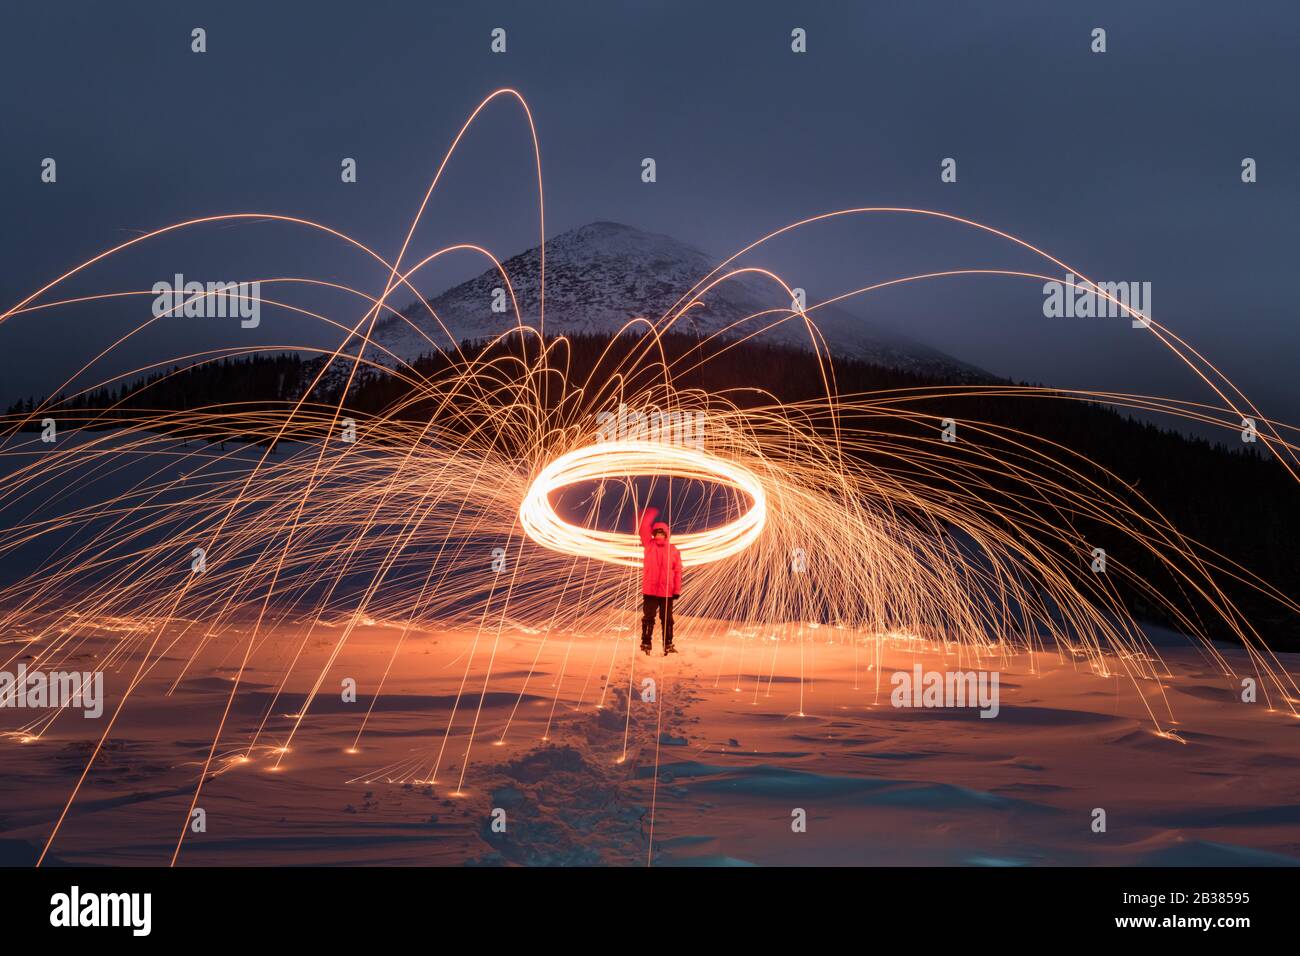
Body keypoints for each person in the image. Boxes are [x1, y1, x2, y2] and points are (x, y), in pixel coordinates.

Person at [638, 506, 682, 655]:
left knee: (667, 620)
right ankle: (646, 643)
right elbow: (643, 528)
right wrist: (650, 514)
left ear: (667, 534)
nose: (659, 535)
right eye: (656, 532)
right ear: (653, 534)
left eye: (662, 533)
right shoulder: (649, 545)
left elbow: (677, 571)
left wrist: (676, 590)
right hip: (650, 590)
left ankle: (668, 644)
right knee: (648, 618)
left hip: (667, 592)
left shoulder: (673, 550)